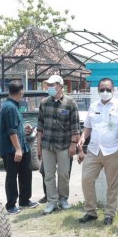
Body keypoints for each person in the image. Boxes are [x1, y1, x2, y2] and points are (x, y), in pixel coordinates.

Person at [77, 77, 118, 225]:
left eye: (108, 89)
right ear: (98, 90)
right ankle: (91, 212)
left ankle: (109, 214)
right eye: (102, 89)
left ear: (113, 90)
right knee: (86, 180)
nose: (105, 91)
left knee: (112, 184)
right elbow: (88, 126)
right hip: (94, 150)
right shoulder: (94, 106)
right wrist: (83, 137)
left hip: (113, 150)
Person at [37, 74, 81, 215]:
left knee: (63, 174)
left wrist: (73, 144)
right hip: (47, 145)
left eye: (53, 85)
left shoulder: (70, 103)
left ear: (61, 86)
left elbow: (75, 127)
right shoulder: (44, 103)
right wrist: (38, 146)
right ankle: (52, 202)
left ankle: (63, 199)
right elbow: (40, 127)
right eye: (49, 85)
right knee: (48, 175)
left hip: (64, 145)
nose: (50, 87)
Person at [0, 81, 38, 214]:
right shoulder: (10, 107)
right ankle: (11, 205)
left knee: (25, 174)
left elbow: (15, 127)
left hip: (21, 147)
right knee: (12, 177)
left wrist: (24, 127)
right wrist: (18, 149)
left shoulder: (13, 106)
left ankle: (25, 200)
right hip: (12, 150)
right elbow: (11, 131)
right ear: (21, 92)